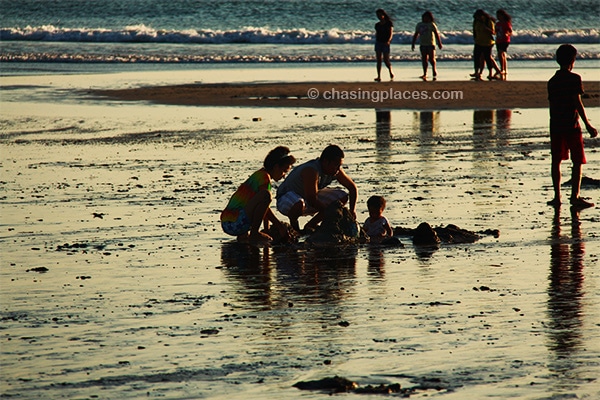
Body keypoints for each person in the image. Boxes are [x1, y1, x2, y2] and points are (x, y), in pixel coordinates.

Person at [547, 44, 598, 209]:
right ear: (572, 61)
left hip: (556, 124)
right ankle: (574, 196)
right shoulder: (574, 79)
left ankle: (557, 197)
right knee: (577, 161)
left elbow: (553, 105)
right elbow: (578, 103)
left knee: (556, 161)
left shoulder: (552, 81)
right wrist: (588, 125)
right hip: (571, 124)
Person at [221, 146, 296, 242]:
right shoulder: (263, 177)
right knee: (266, 195)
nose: (284, 176)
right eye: (284, 171)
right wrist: (280, 226)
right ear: (276, 167)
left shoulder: (261, 175)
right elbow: (265, 203)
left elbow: (263, 208)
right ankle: (254, 233)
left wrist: (267, 230)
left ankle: (245, 236)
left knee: (265, 197)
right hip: (234, 222)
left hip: (231, 222)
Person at [276, 144, 358, 232]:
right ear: (326, 162)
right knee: (299, 203)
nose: (337, 169)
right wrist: (328, 212)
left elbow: (352, 188)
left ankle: (311, 224)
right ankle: (294, 227)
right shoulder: (311, 170)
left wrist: (352, 210)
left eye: (339, 166)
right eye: (335, 165)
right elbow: (311, 199)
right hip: (286, 199)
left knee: (342, 197)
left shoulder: (336, 171)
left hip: (307, 198)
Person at [470, 9, 502, 81]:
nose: (478, 18)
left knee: (487, 58)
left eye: (479, 17)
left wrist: (486, 29)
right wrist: (475, 38)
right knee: (477, 57)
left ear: (482, 16)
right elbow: (474, 31)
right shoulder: (476, 21)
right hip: (478, 42)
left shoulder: (488, 21)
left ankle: (490, 73)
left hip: (488, 43)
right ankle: (477, 72)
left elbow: (493, 32)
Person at [411, 11, 443, 81]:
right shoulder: (419, 25)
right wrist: (413, 43)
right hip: (423, 44)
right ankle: (425, 73)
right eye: (423, 17)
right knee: (424, 59)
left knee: (431, 58)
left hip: (431, 44)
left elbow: (436, 34)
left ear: (429, 18)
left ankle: (434, 69)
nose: (424, 19)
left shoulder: (431, 24)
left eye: (425, 17)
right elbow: (416, 34)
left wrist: (439, 43)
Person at [374, 8, 394, 82]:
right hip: (378, 42)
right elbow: (377, 34)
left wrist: (388, 41)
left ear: (383, 15)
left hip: (385, 43)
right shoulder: (377, 25)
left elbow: (391, 33)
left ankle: (390, 71)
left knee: (386, 60)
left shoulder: (389, 23)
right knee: (378, 60)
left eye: (380, 15)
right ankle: (378, 76)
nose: (379, 16)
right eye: (377, 15)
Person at [495, 9, 512, 79]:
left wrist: (507, 34)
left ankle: (502, 69)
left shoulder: (506, 23)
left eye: (499, 15)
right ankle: (504, 69)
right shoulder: (497, 23)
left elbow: (510, 31)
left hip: (505, 40)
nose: (498, 17)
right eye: (497, 15)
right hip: (498, 40)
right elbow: (495, 31)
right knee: (502, 54)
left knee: (500, 53)